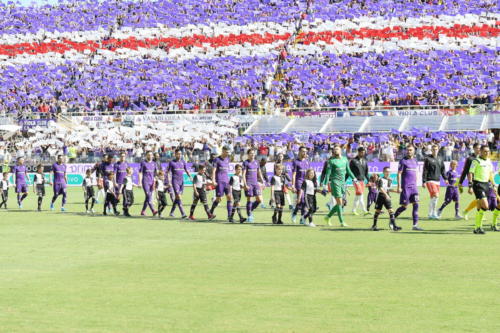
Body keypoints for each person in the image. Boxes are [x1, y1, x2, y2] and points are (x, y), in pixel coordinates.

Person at [322, 145, 356, 227]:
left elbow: (348, 170)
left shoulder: (345, 159)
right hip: (335, 182)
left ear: (341, 151)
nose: (335, 150)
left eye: (337, 149)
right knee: (340, 202)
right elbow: (327, 174)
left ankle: (328, 216)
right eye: (334, 149)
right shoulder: (331, 161)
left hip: (342, 183)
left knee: (341, 203)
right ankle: (342, 222)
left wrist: (354, 179)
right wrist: (325, 185)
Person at [468, 145, 495, 233]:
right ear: (481, 152)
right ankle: (478, 227)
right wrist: (470, 186)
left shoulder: (489, 161)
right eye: (485, 151)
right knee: (486, 206)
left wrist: (493, 184)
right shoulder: (476, 161)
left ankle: (477, 228)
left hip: (486, 184)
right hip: (478, 184)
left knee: (479, 207)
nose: (487, 153)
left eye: (488, 151)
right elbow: (470, 173)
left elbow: (490, 174)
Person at [394, 145, 423, 231]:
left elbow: (415, 173)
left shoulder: (415, 161)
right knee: (404, 206)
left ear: (414, 151)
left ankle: (415, 225)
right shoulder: (403, 161)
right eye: (408, 150)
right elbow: (399, 173)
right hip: (406, 187)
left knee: (416, 204)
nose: (409, 151)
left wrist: (417, 183)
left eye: (411, 150)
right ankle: (392, 219)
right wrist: (399, 186)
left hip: (414, 187)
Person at [372, 167, 401, 231]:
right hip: (381, 196)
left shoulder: (390, 180)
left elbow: (388, 189)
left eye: (389, 171)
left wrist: (396, 191)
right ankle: (374, 226)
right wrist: (386, 195)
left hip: (386, 196)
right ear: (383, 172)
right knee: (378, 211)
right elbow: (380, 188)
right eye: (386, 171)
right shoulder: (381, 179)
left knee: (391, 211)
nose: (388, 173)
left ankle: (394, 226)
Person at [422, 144, 446, 219]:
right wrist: (423, 181)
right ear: (431, 150)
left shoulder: (440, 158)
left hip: (437, 180)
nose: (435, 150)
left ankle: (430, 214)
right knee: (436, 195)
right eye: (433, 149)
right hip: (430, 180)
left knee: (433, 197)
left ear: (438, 149)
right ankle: (434, 213)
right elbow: (425, 170)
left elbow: (442, 169)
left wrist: (445, 178)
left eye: (436, 149)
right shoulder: (428, 158)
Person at [458, 143, 481, 220]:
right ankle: (467, 211)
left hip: (482, 181)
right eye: (477, 148)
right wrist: (461, 182)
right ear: (474, 149)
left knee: (481, 199)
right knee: (479, 198)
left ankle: (477, 213)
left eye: (480, 148)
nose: (479, 150)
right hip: (474, 181)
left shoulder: (482, 158)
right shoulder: (470, 159)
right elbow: (465, 171)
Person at [209, 146, 233, 221]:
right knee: (219, 199)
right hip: (219, 181)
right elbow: (213, 171)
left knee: (229, 197)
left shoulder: (228, 159)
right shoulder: (217, 159)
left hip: (226, 181)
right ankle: (210, 212)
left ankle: (229, 216)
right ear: (222, 151)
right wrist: (213, 180)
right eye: (226, 152)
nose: (227, 154)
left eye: (228, 152)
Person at [167, 148, 192, 219]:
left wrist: (190, 176)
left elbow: (186, 170)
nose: (179, 155)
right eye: (178, 154)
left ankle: (171, 212)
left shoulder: (183, 162)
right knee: (179, 197)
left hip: (182, 182)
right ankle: (183, 213)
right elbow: (168, 172)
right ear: (175, 154)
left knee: (177, 198)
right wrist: (169, 181)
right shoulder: (171, 162)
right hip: (175, 182)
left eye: (180, 154)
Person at [242, 148, 264, 222]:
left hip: (255, 183)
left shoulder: (257, 162)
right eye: (251, 153)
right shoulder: (245, 163)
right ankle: (249, 216)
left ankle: (250, 210)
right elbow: (243, 174)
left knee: (259, 199)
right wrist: (245, 184)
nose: (252, 154)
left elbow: (259, 172)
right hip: (249, 183)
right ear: (248, 154)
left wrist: (262, 181)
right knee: (250, 199)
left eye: (253, 153)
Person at [291, 146, 310, 224]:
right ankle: (302, 218)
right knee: (302, 200)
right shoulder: (295, 162)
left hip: (306, 183)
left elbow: (309, 174)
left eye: (305, 151)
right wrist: (293, 185)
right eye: (303, 151)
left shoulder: (307, 162)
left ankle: (295, 213)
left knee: (304, 201)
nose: (305, 153)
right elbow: (294, 175)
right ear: (299, 152)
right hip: (299, 183)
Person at [349, 147, 370, 215]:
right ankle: (364, 210)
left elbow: (366, 172)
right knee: (360, 194)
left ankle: (353, 210)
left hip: (362, 181)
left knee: (358, 196)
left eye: (363, 152)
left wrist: (369, 180)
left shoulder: (364, 161)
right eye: (361, 152)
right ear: (358, 152)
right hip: (356, 180)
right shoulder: (353, 161)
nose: (363, 153)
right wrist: (344, 180)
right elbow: (349, 171)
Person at [139, 151, 158, 216]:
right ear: (146, 156)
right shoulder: (143, 163)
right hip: (145, 182)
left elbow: (155, 173)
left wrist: (155, 180)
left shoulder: (154, 163)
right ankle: (153, 210)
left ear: (152, 156)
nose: (150, 156)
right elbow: (140, 173)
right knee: (148, 196)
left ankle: (143, 211)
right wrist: (140, 182)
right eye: (148, 155)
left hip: (152, 182)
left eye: (151, 155)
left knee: (147, 198)